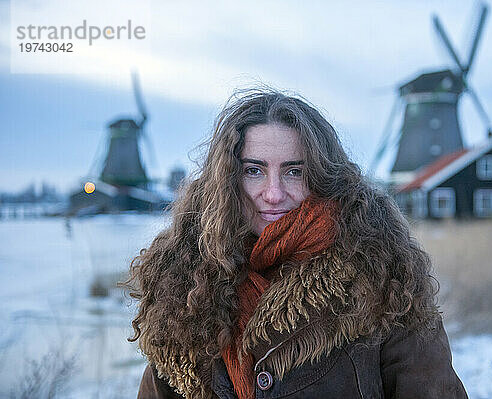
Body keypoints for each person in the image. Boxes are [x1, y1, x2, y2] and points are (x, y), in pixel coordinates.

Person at [127, 88, 468, 398]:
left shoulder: (381, 272)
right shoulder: (184, 281)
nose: (273, 194)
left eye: (294, 171)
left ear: (321, 175)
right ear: (227, 177)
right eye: (254, 171)